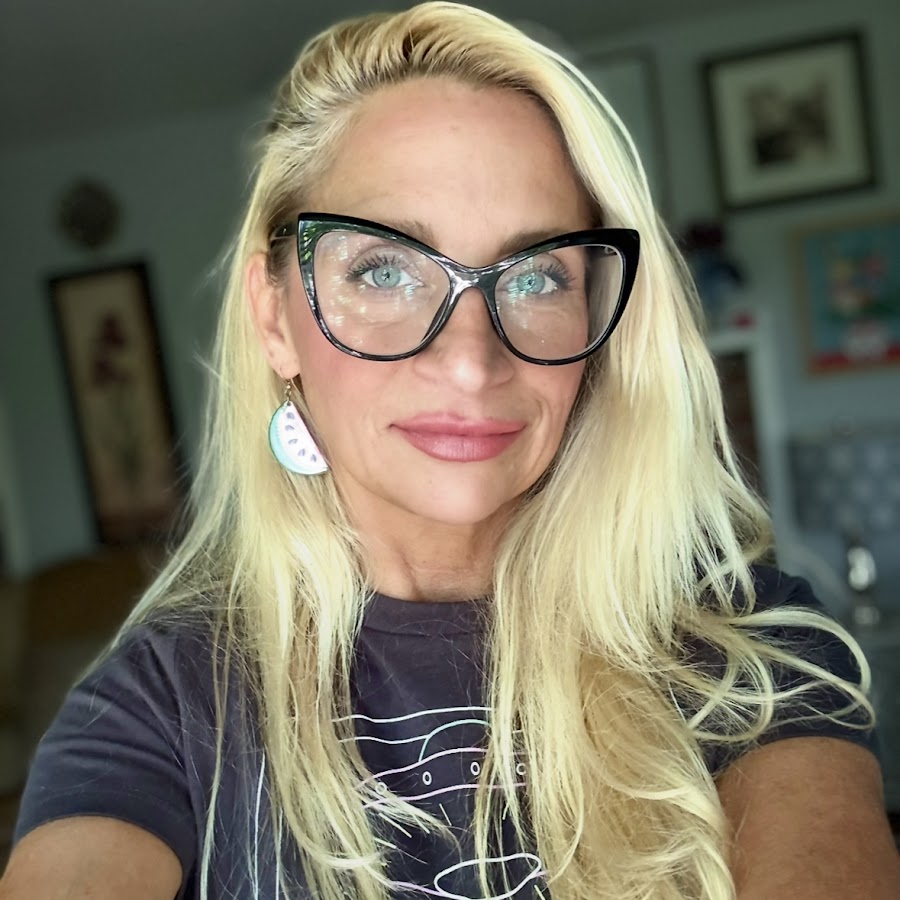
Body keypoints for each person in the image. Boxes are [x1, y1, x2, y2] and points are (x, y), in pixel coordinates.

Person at [2, 4, 898, 898]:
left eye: (538, 275)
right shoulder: (157, 705)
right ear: (276, 318)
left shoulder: (748, 648)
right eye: (384, 270)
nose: (472, 361)